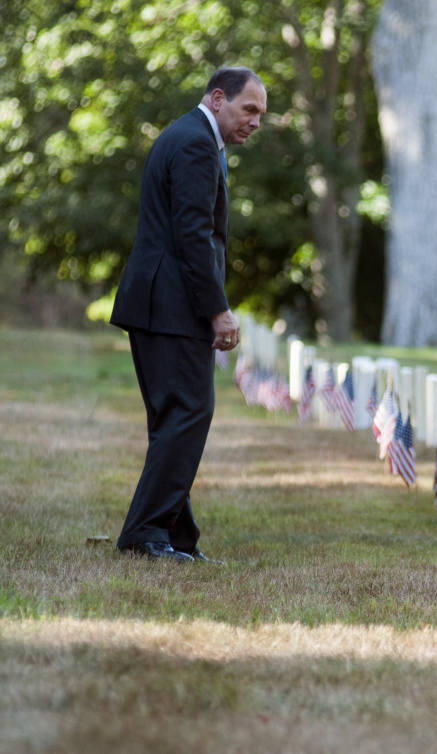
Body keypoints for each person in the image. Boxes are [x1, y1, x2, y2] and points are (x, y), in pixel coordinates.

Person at [109, 67, 267, 562]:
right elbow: (193, 235)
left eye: (261, 114)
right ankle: (145, 535)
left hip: (157, 302)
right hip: (171, 305)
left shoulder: (188, 135)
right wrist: (219, 312)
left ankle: (176, 538)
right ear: (218, 99)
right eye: (249, 109)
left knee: (174, 419)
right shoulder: (197, 143)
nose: (256, 122)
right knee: (189, 413)